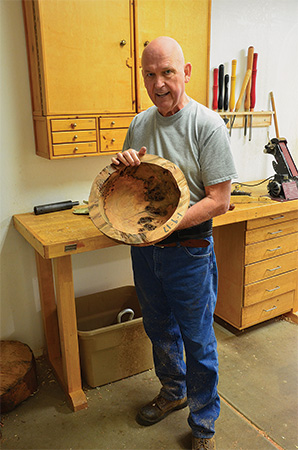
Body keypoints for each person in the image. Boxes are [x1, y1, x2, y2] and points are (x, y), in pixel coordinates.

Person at [112, 36, 237, 450]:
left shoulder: (207, 125)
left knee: (198, 339)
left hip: (189, 250)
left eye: (167, 72)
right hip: (146, 249)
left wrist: (169, 225)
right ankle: (172, 391)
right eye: (150, 74)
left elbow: (219, 201)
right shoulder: (139, 122)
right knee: (158, 326)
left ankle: (203, 425)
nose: (158, 83)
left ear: (185, 72)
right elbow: (132, 187)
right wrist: (122, 167)